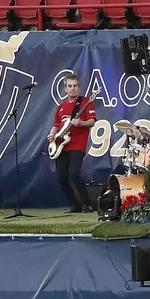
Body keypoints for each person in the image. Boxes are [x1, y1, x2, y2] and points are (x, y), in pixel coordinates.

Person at [49, 74, 96, 213]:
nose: (72, 89)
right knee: (61, 177)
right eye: (69, 86)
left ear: (78, 87)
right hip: (61, 145)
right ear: (65, 88)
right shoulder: (61, 107)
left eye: (75, 86)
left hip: (77, 144)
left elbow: (92, 121)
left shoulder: (86, 102)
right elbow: (56, 125)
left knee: (74, 174)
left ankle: (87, 203)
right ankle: (74, 205)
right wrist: (52, 135)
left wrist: (81, 123)